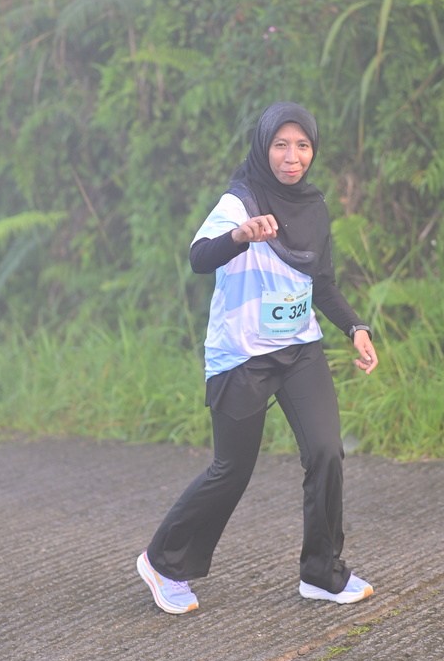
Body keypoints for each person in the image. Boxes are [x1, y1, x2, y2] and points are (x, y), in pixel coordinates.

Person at [137, 102, 378, 614]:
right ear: (263, 147)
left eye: (303, 146)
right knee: (231, 470)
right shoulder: (239, 201)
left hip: (299, 348)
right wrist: (240, 236)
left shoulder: (313, 206)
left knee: (326, 452)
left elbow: (323, 283)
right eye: (281, 145)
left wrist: (356, 327)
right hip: (242, 353)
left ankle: (322, 574)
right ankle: (163, 563)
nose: (293, 157)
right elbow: (199, 256)